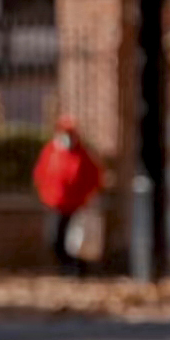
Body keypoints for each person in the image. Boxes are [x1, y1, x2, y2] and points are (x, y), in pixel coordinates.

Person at [33, 116, 103, 276]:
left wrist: (86, 197)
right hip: (55, 204)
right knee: (54, 240)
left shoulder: (82, 155)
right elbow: (41, 174)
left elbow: (94, 178)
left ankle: (77, 269)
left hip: (76, 206)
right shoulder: (51, 151)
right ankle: (66, 267)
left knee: (75, 241)